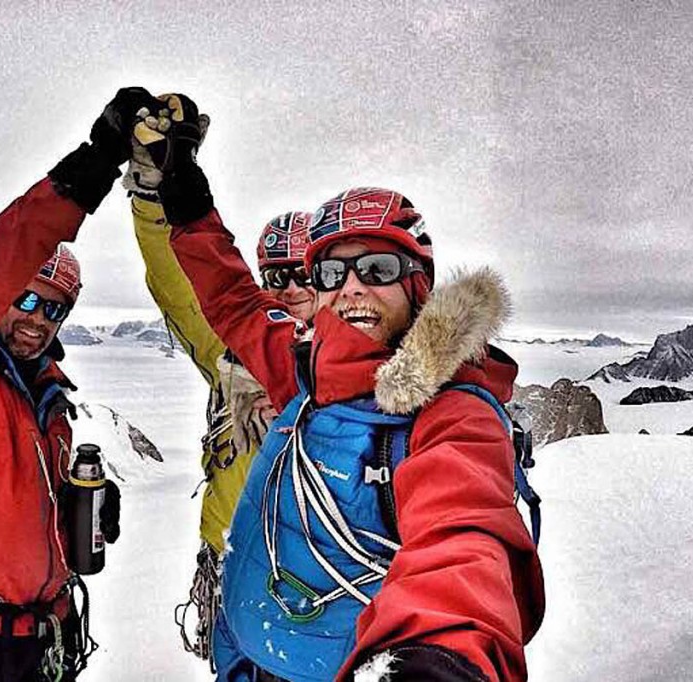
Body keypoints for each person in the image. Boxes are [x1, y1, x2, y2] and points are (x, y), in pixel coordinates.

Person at [137, 96, 546, 681]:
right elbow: (230, 297)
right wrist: (184, 197)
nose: (352, 288)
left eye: (376, 269)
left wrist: (436, 662)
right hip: (246, 664)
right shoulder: (306, 371)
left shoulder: (454, 414)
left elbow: (463, 541)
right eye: (332, 272)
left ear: (418, 286)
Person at [0, 88, 157, 682]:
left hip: (49, 637)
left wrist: (78, 518)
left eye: (56, 310)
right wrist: (94, 165)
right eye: (26, 300)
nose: (39, 319)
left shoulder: (50, 399)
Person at [123, 106, 317, 663]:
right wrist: (153, 198)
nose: (291, 287)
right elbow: (179, 285)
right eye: (276, 276)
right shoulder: (232, 350)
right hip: (232, 560)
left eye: (305, 272)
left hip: (319, 585)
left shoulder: (354, 373)